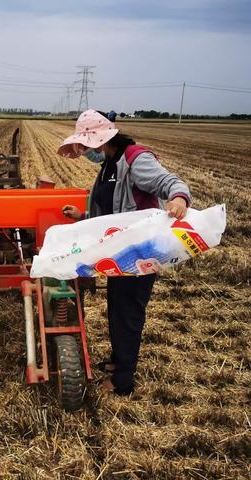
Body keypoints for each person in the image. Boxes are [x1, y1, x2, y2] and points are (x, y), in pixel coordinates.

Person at [58, 109, 191, 396]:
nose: (85, 152)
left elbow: (171, 183)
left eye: (86, 145)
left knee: (129, 312)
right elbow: (112, 211)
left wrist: (179, 198)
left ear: (100, 140)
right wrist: (83, 215)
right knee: (117, 308)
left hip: (140, 251)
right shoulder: (110, 163)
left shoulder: (135, 159)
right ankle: (119, 363)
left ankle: (123, 382)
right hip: (120, 252)